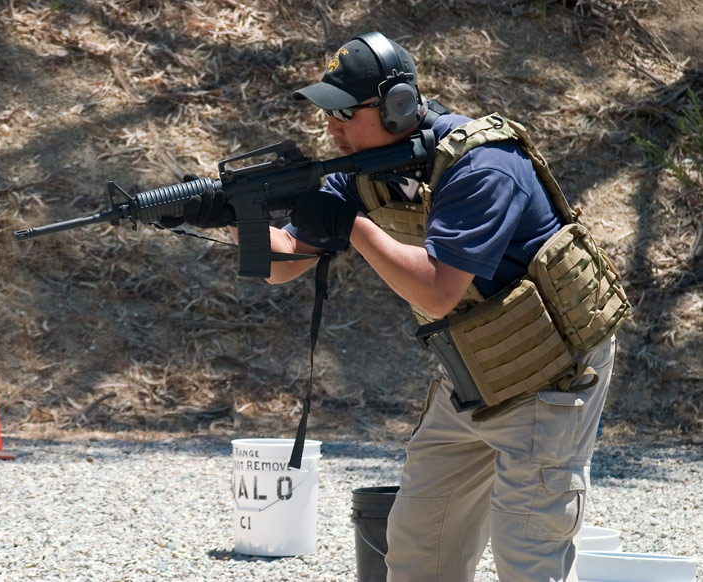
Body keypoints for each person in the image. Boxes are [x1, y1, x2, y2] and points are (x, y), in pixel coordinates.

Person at [178, 32, 625, 582]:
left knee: (527, 557)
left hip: (549, 373)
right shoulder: (365, 169)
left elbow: (438, 291)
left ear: (399, 106)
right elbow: (285, 261)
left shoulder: (482, 165)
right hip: (473, 373)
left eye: (344, 113)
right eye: (327, 112)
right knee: (418, 552)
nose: (331, 128)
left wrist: (354, 228)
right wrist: (231, 216)